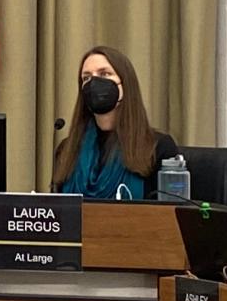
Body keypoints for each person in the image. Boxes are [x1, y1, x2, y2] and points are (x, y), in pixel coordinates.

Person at [53, 45, 180, 200]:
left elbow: (169, 216)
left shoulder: (158, 147)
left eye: (104, 74)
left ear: (125, 84)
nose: (94, 83)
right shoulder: (67, 151)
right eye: (86, 78)